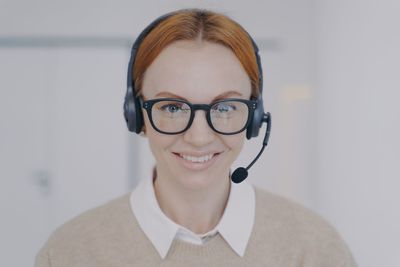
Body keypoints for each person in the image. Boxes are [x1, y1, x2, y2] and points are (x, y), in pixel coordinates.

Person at [36, 8, 357, 266]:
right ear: (137, 115)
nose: (199, 137)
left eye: (226, 107)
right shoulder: (69, 252)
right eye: (173, 107)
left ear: (255, 118)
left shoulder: (313, 248)